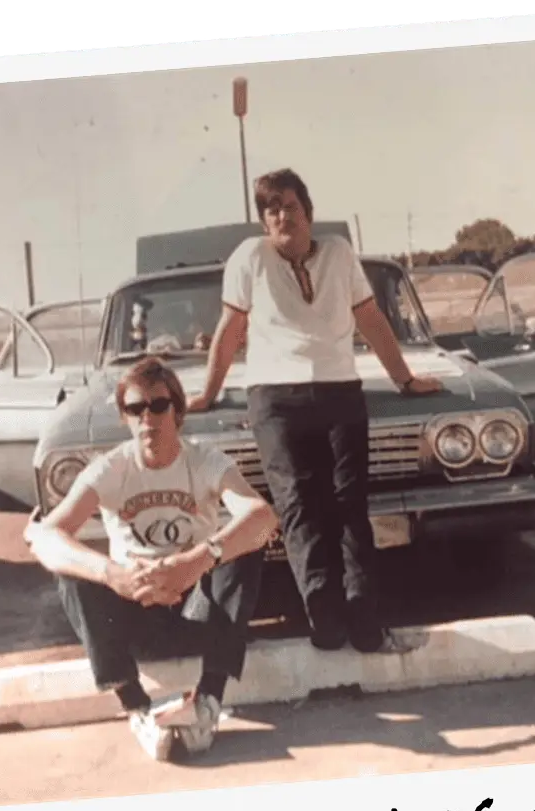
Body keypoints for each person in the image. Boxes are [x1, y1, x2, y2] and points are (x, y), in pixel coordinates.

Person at [187, 168, 443, 653]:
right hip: (274, 397)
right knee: (299, 505)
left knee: (349, 503)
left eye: (290, 205)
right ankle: (323, 614)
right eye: (272, 210)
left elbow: (370, 317)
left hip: (338, 390)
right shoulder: (250, 258)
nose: (283, 215)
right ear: (264, 221)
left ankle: (363, 613)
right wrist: (207, 391)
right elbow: (230, 329)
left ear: (308, 210)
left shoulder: (340, 255)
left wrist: (404, 378)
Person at [26, 357, 279, 762]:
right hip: (134, 606)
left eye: (159, 406)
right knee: (71, 571)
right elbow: (44, 538)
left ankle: (208, 704)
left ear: (177, 411)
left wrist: (198, 560)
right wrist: (114, 575)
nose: (148, 418)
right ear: (124, 417)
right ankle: (138, 710)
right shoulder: (111, 468)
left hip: (195, 608)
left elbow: (264, 518)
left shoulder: (204, 461)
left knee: (244, 552)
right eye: (136, 408)